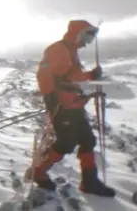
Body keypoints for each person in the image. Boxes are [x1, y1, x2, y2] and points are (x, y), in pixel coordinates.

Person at [34, 19, 116, 197]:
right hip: (61, 104)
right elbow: (55, 74)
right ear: (78, 33)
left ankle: (89, 182)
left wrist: (88, 77)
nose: (88, 42)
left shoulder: (70, 50)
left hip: (73, 103)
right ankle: (38, 172)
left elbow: (70, 76)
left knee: (87, 140)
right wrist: (51, 95)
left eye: (90, 38)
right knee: (66, 143)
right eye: (87, 36)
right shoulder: (59, 49)